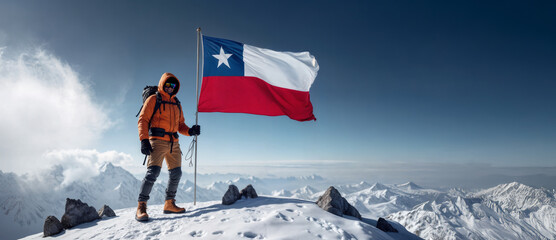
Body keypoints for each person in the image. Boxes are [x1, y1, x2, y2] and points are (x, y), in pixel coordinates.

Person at [135, 72, 200, 221]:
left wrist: (190, 131)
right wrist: (144, 140)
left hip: (174, 143)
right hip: (157, 141)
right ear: (163, 84)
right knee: (153, 173)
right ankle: (141, 206)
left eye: (173, 85)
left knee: (176, 174)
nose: (170, 88)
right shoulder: (153, 99)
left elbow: (180, 125)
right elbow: (143, 120)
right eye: (168, 85)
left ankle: (169, 204)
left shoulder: (177, 103)